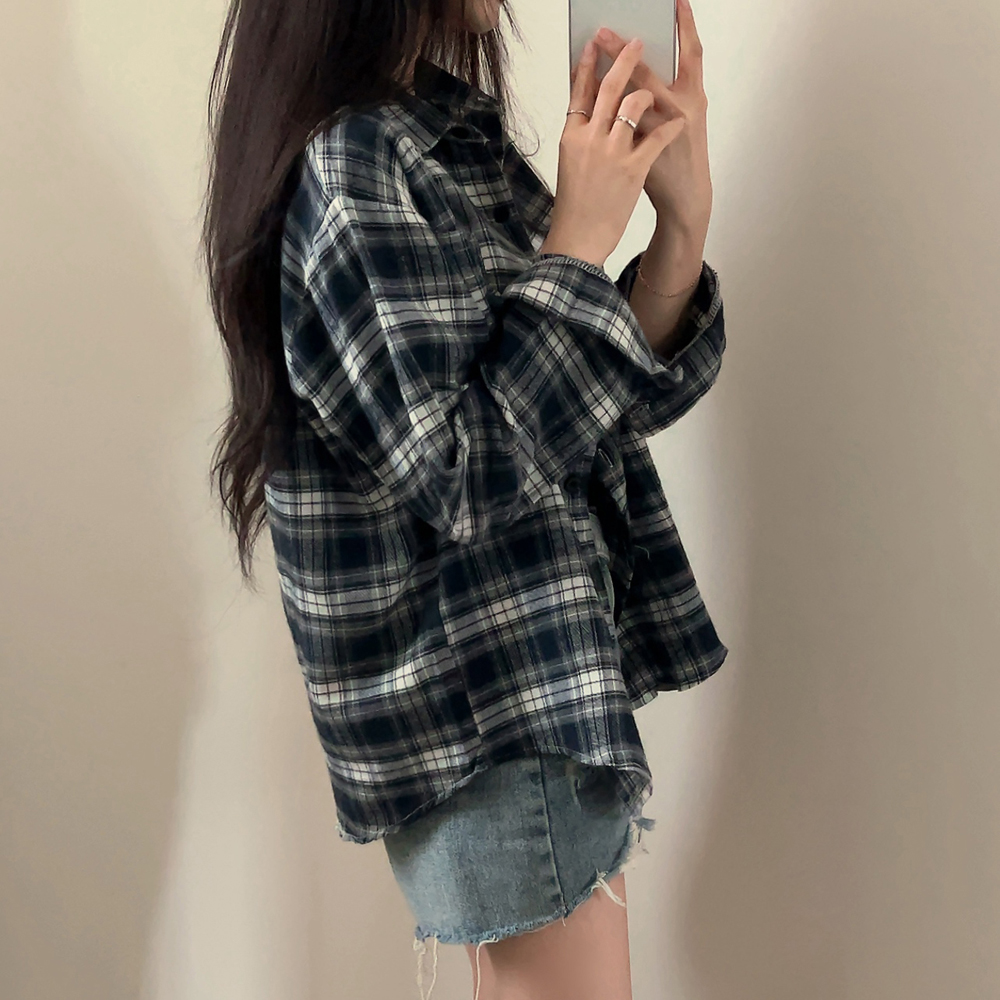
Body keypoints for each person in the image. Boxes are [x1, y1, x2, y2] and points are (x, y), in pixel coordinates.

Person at [203, 0, 726, 997]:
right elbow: (464, 476)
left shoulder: (436, 136)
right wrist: (577, 239)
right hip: (490, 712)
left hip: (532, 693)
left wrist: (679, 225)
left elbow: (596, 408)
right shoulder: (355, 167)